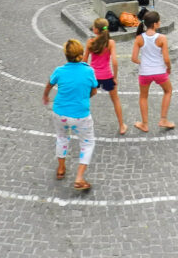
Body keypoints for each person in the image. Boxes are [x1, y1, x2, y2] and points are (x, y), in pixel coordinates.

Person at [43, 38, 98, 190]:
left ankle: (61, 169)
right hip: (81, 115)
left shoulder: (59, 71)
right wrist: (83, 97)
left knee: (62, 138)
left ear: (66, 55)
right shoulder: (89, 71)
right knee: (87, 143)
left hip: (60, 113)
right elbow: (93, 90)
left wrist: (46, 95)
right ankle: (79, 177)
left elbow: (50, 84)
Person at [131, 11, 175, 132]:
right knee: (168, 91)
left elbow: (134, 58)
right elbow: (166, 58)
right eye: (159, 21)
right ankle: (163, 119)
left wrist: (143, 63)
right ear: (155, 24)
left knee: (143, 97)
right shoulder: (162, 38)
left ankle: (144, 124)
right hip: (160, 71)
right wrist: (169, 67)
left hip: (145, 73)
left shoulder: (139, 38)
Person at [86, 18, 127, 134]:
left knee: (85, 96)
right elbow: (114, 61)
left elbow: (84, 60)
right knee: (115, 100)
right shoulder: (110, 43)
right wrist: (115, 77)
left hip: (93, 76)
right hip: (107, 76)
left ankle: (74, 117)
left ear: (95, 30)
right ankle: (122, 126)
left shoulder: (90, 42)